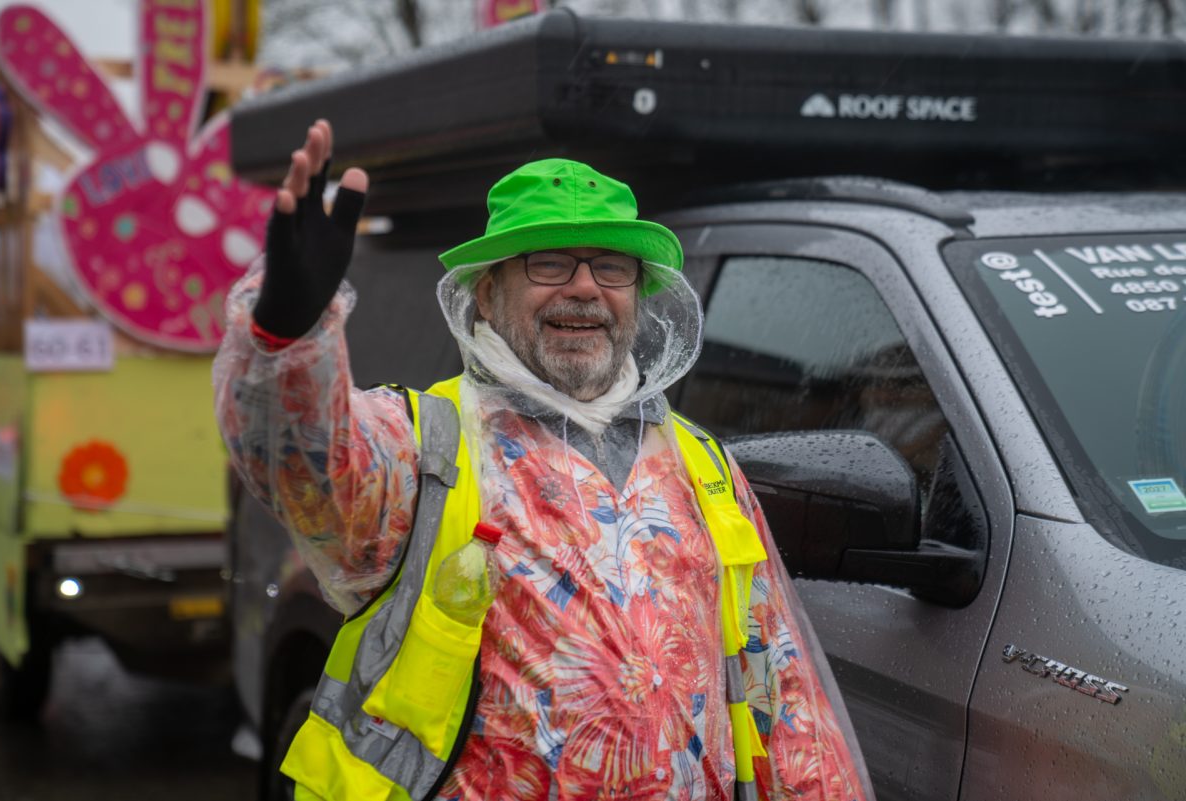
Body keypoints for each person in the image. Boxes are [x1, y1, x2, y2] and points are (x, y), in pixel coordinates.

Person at [214, 119, 875, 801]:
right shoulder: (426, 443)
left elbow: (787, 699)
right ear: (487, 292)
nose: (585, 287)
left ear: (638, 296)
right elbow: (300, 462)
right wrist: (288, 338)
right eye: (548, 262)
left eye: (611, 266)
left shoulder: (701, 466)